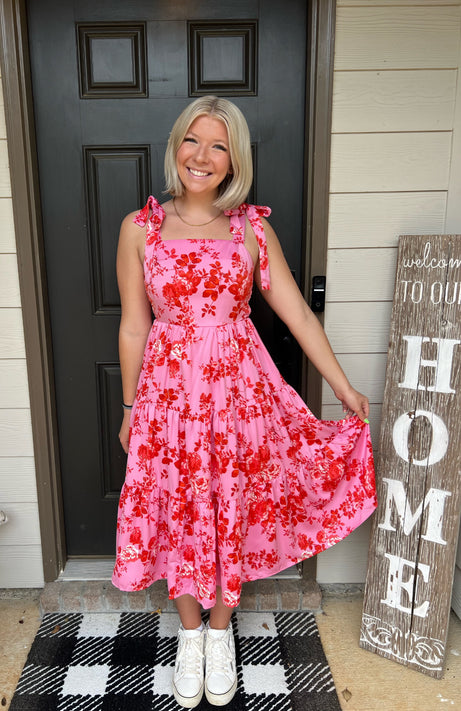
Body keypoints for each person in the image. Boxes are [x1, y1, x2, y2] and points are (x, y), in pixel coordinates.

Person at [113, 96, 376, 708]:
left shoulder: (251, 228)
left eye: (219, 146)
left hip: (239, 395)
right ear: (176, 146)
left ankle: (222, 628)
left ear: (234, 162)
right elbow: (132, 325)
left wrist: (342, 387)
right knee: (175, 504)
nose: (201, 157)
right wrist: (130, 409)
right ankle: (187, 634)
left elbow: (296, 314)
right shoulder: (139, 228)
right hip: (169, 396)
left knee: (234, 502)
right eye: (192, 141)